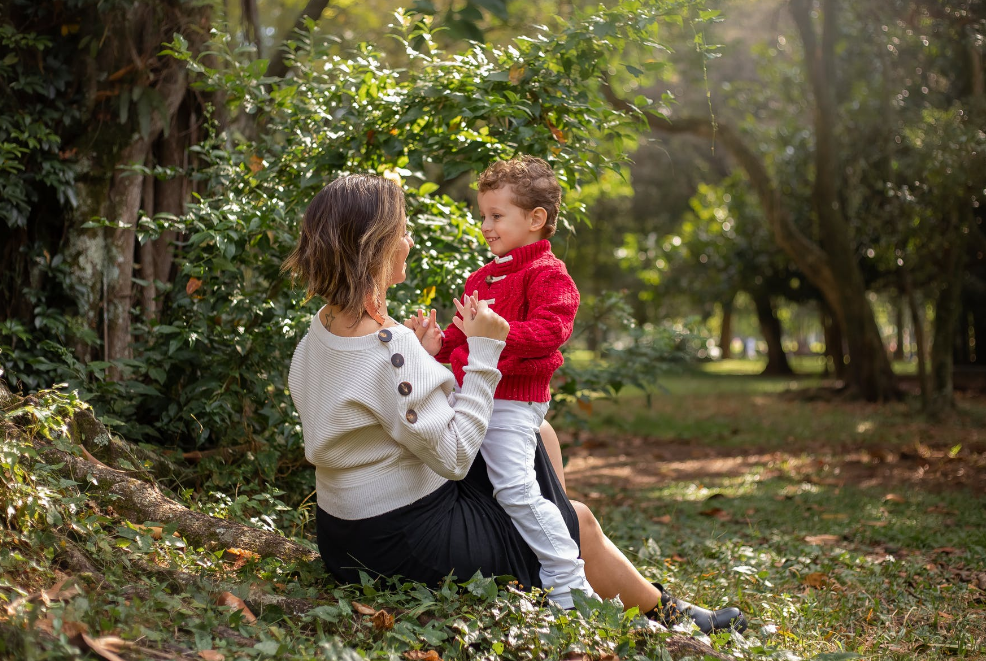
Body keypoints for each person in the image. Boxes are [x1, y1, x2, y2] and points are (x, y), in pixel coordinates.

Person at [284, 173, 746, 634]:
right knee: (576, 521)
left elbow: (378, 413)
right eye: (402, 229)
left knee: (540, 435)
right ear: (378, 245)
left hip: (342, 534)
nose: (408, 240)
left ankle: (557, 540)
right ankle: (656, 609)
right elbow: (456, 457)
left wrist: (427, 360)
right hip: (403, 542)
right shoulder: (391, 347)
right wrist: (485, 352)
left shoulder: (318, 333)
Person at [404, 156, 592, 609]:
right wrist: (434, 344)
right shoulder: (484, 277)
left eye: (496, 216)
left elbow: (552, 331)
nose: (485, 226)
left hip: (511, 401)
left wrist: (495, 335)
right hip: (472, 397)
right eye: (482, 216)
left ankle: (569, 583)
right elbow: (462, 337)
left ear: (535, 219)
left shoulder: (547, 274)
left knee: (516, 489)